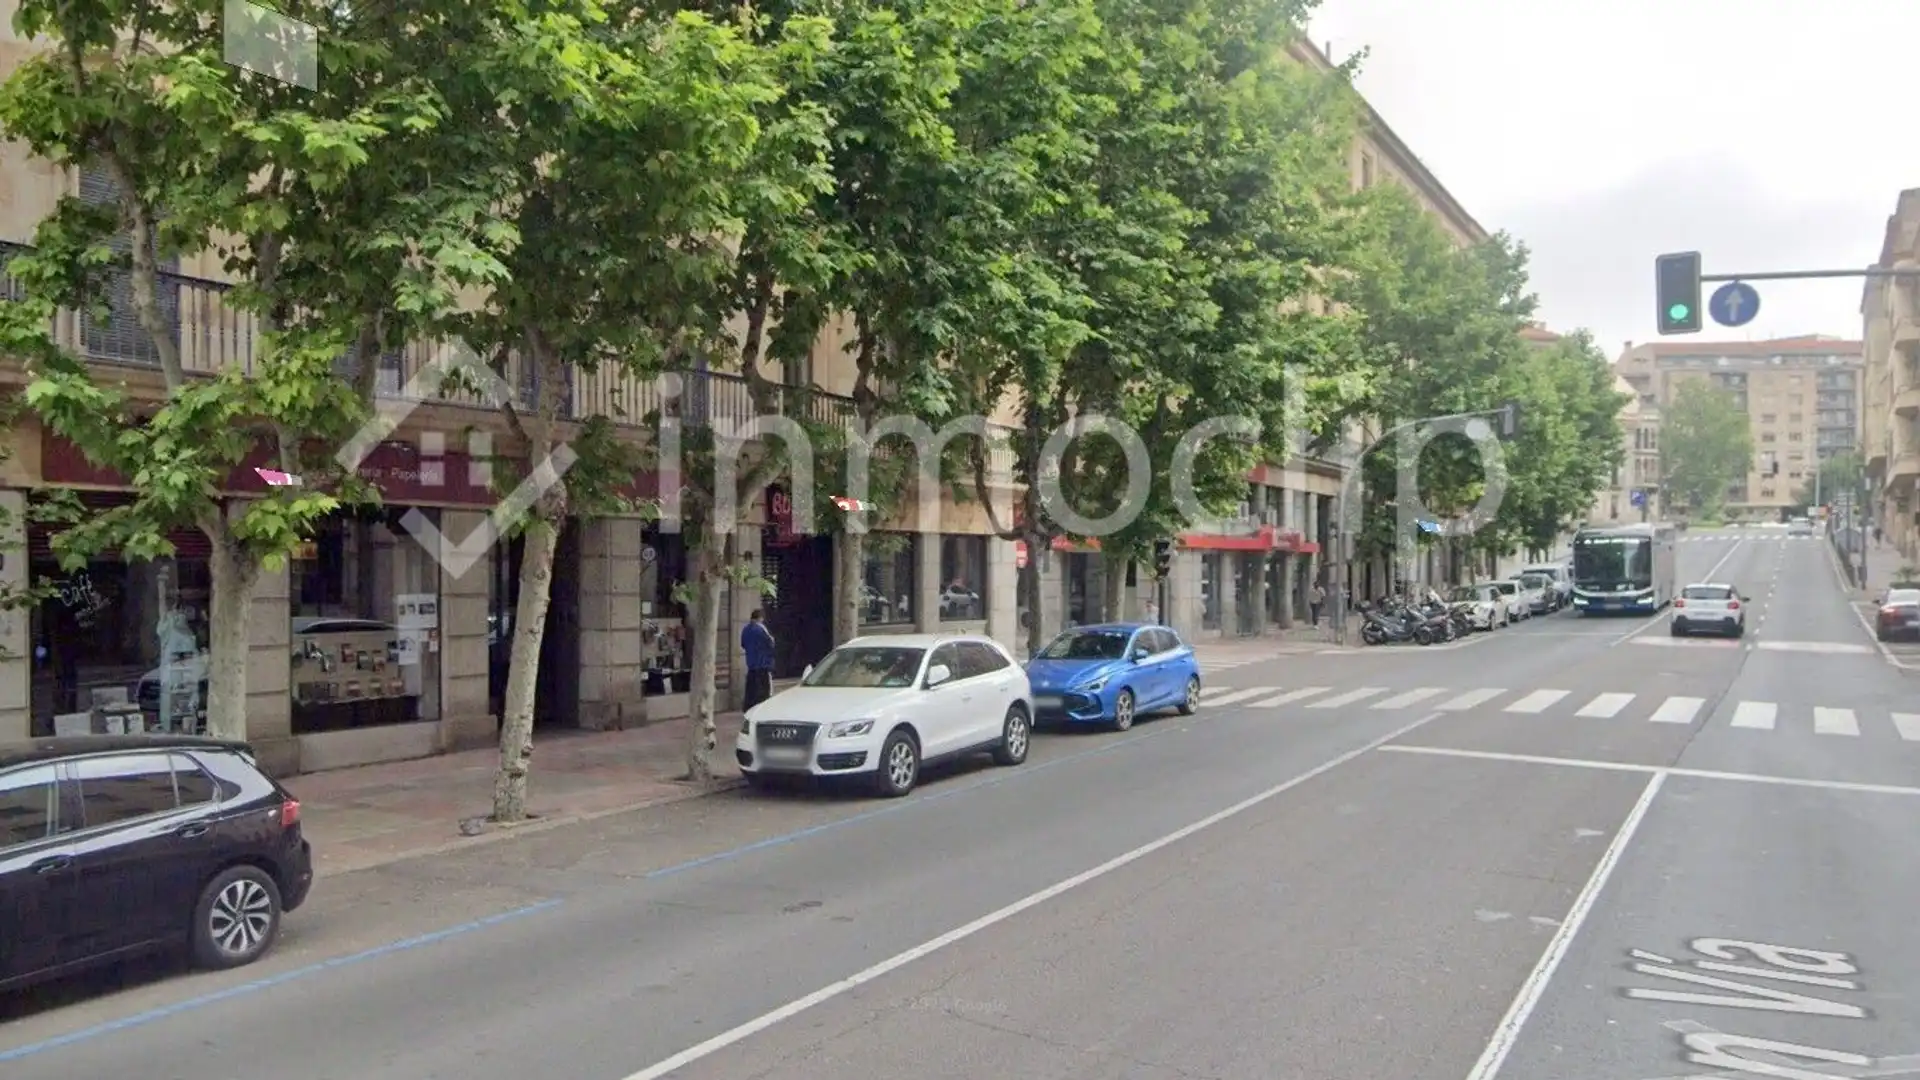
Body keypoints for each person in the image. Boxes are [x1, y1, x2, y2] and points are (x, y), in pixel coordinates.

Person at [740, 610, 775, 711]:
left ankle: (748, 708)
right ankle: (764, 709)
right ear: (760, 618)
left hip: (751, 664)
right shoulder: (761, 629)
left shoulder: (745, 629)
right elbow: (770, 643)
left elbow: (743, 644)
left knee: (751, 690)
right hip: (763, 664)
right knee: (764, 690)